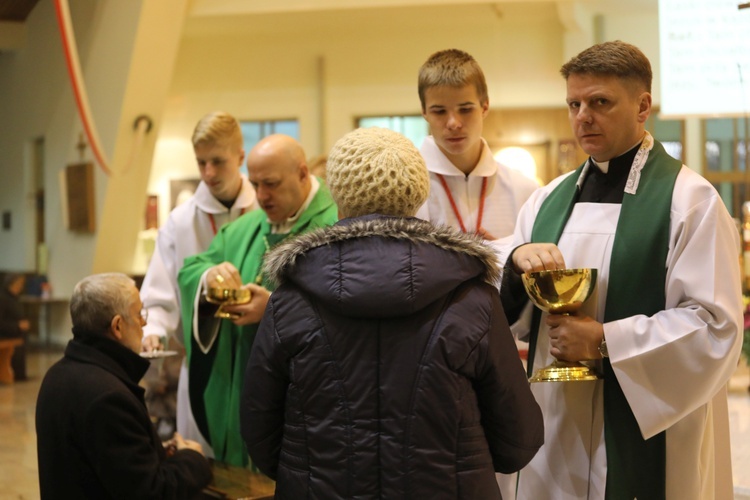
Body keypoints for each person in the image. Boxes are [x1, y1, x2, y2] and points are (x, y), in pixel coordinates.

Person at [240, 127, 544, 499]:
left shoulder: (289, 299)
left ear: (337, 193)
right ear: (417, 192)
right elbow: (518, 438)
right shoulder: (473, 297)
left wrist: (308, 471)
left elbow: (259, 431)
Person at [500, 40, 743, 499]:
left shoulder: (689, 201)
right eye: (574, 103)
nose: (582, 117)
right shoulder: (546, 201)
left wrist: (606, 340)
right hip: (559, 427)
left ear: (642, 105)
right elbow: (509, 316)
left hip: (652, 428)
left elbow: (716, 329)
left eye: (600, 102)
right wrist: (516, 272)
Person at [178, 133, 338, 467]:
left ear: (303, 173)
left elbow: (346, 304)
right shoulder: (245, 227)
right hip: (243, 381)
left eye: (272, 184)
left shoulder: (337, 225)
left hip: (306, 395)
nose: (261, 197)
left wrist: (275, 310)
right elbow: (192, 269)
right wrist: (210, 277)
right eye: (255, 184)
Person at [140, 111, 258, 453]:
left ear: (240, 156)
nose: (207, 173)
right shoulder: (180, 222)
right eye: (201, 162)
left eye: (217, 162)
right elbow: (161, 292)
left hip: (256, 359)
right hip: (206, 364)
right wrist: (154, 331)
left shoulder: (266, 213)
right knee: (201, 460)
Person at [36, 273, 212, 499]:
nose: (144, 322)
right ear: (117, 326)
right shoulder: (108, 397)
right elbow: (152, 492)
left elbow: (100, 462)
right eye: (139, 314)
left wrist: (154, 450)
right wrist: (191, 458)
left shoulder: (57, 374)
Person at [416, 48, 538, 245]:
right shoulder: (404, 191)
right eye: (439, 111)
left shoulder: (525, 190)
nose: (453, 123)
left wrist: (507, 256)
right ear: (424, 112)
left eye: (465, 109)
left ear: (485, 107)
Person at [0, 273, 30, 380]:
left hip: (17, 333)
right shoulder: (3, 298)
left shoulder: (15, 298)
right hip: (6, 333)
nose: (21, 286)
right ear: (11, 283)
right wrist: (17, 325)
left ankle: (20, 374)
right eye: (19, 283)